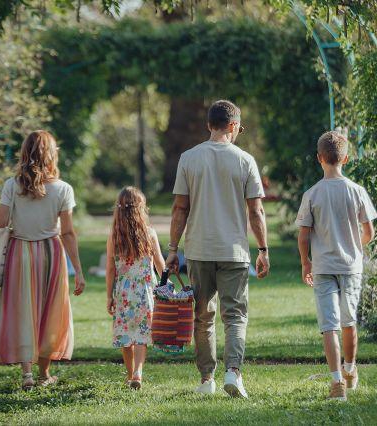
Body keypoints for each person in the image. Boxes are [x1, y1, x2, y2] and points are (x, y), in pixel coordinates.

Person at [166, 99, 270, 399]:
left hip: (198, 249)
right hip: (234, 251)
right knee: (235, 315)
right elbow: (256, 212)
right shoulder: (245, 160)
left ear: (209, 124)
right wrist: (263, 249)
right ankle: (233, 373)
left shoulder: (189, 158)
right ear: (234, 126)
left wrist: (173, 249)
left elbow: (179, 208)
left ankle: (207, 378)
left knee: (203, 315)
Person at [0, 130, 87, 391]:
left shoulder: (12, 185)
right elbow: (67, 232)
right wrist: (78, 270)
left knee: (24, 310)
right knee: (50, 311)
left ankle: (27, 375)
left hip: (20, 253)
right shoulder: (63, 189)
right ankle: (45, 374)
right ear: (51, 154)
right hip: (51, 254)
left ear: (25, 153)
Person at [296, 130, 377, 401]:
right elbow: (369, 231)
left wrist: (305, 262)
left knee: (329, 325)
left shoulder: (312, 194)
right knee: (349, 321)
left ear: (320, 158)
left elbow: (304, 234)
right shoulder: (357, 191)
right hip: (351, 266)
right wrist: (357, 245)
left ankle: (336, 383)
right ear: (347, 158)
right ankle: (350, 369)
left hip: (322, 267)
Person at [105, 187, 165, 390]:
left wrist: (109, 296)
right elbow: (160, 264)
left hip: (123, 292)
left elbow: (110, 269)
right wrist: (165, 287)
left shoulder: (114, 236)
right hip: (145, 291)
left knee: (125, 334)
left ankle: (130, 374)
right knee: (142, 334)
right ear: (141, 209)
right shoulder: (149, 234)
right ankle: (138, 373)